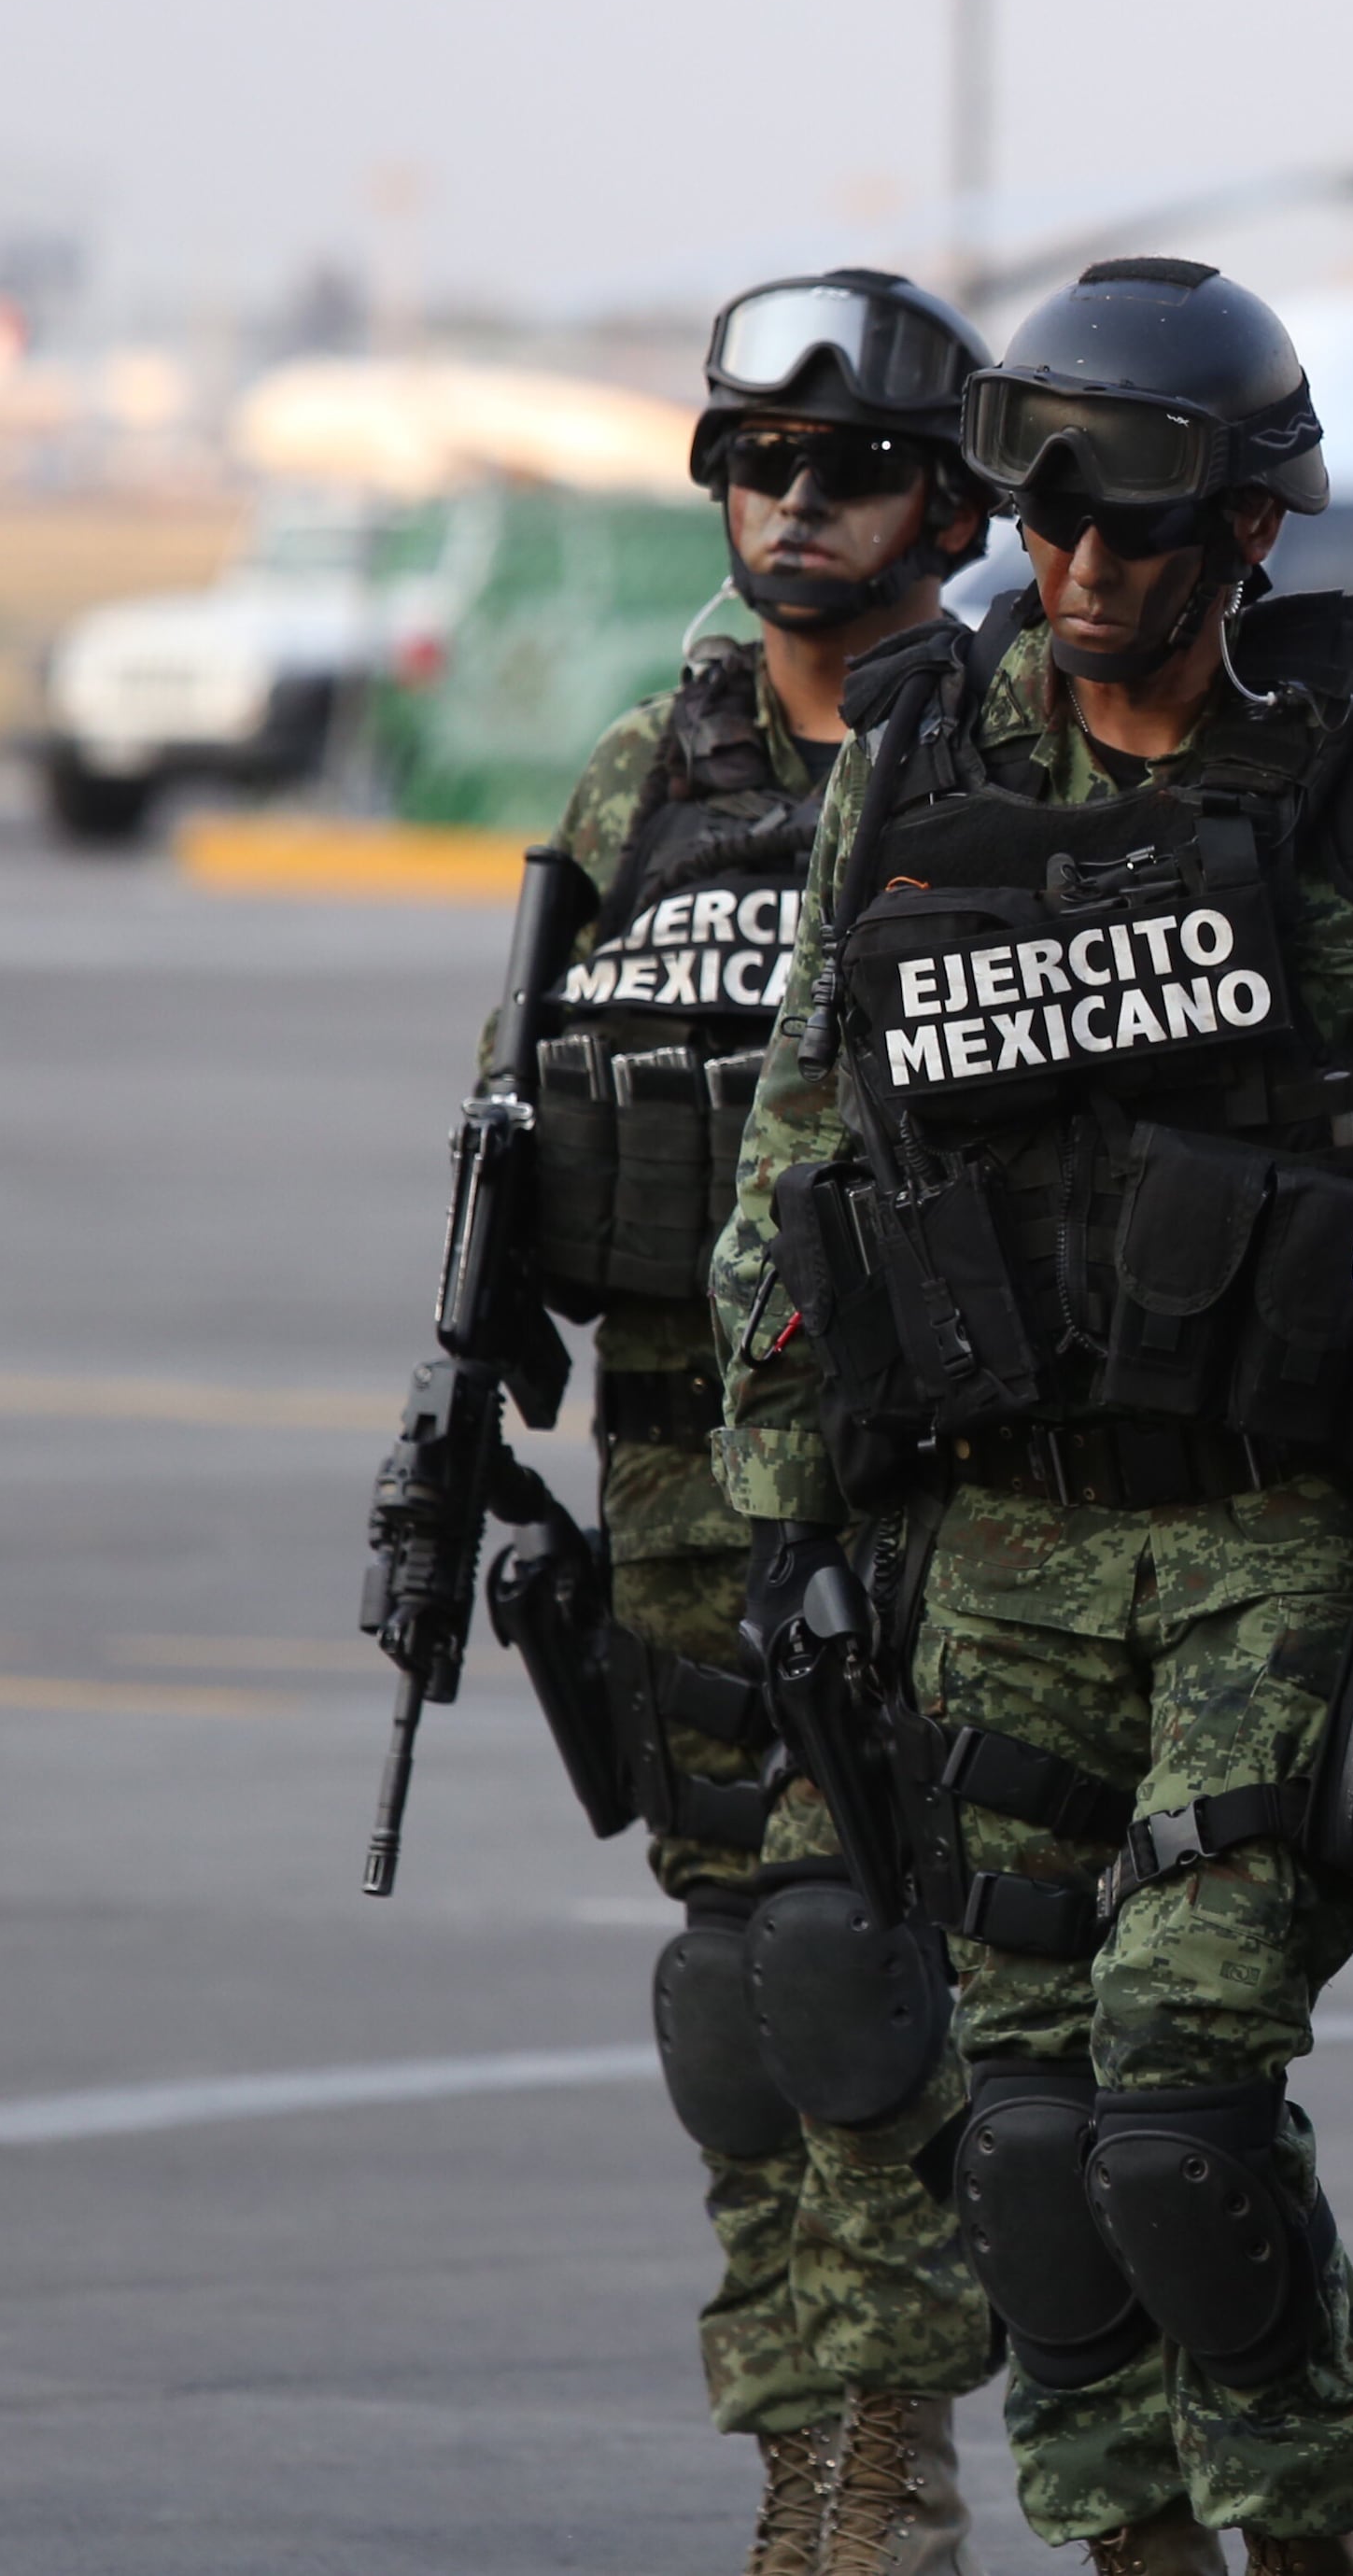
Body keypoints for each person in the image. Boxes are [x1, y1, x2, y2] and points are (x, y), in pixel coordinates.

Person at [708, 257, 1353, 2576]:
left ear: (1250, 536)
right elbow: (802, 1150)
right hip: (992, 1542)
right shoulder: (925, 756)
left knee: (1180, 2102)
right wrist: (783, 1504)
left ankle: (1296, 2538)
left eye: (1141, 533)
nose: (1086, 574)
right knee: (1020, 2134)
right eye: (1052, 527)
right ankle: (1131, 2548)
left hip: (1284, 1536)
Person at [509, 268, 1006, 2576]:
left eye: (849, 468)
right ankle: (796, 2447)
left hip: (933, 1468)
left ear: (956, 503)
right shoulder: (653, 767)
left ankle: (895, 2434)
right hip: (676, 1462)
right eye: (752, 462)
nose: (792, 506)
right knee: (732, 1989)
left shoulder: (1008, 757)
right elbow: (548, 1099)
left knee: (868, 1954)